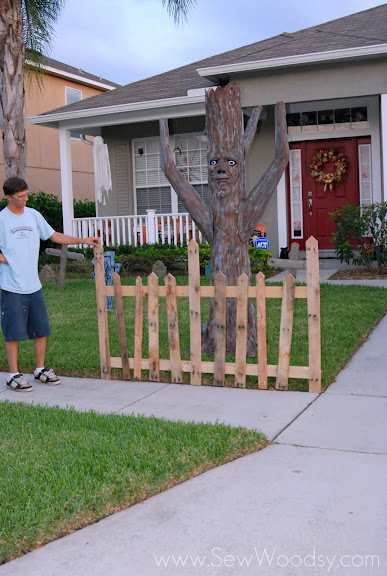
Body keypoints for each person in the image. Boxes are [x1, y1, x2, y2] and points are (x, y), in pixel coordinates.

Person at [0, 176, 100, 392]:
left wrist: (82, 241)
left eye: (27, 194)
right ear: (8, 197)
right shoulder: (2, 220)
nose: (26, 199)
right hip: (12, 286)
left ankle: (40, 370)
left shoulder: (33, 215)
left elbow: (53, 236)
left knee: (41, 329)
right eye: (21, 196)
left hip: (33, 285)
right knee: (13, 332)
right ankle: (13, 375)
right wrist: (5, 258)